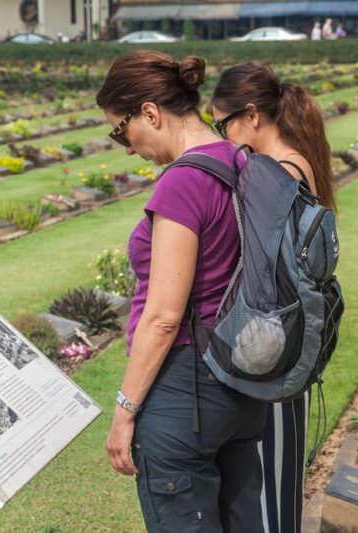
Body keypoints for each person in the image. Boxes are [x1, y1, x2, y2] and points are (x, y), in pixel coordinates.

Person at [97, 50, 267, 532]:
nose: (126, 147)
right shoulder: (241, 159)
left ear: (150, 112)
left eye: (120, 130)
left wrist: (125, 411)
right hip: (241, 380)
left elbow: (163, 316)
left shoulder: (183, 183)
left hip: (186, 390)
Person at [210, 61, 336, 533]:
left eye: (223, 125)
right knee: (280, 487)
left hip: (271, 344)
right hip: (292, 337)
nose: (223, 137)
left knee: (267, 493)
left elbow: (258, 274)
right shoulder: (299, 161)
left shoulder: (270, 173)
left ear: (252, 115)